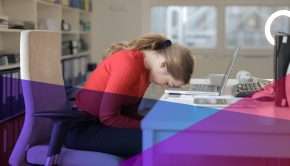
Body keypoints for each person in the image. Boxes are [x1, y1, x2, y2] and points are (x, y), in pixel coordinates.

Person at [64, 33, 194, 158]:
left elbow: (128, 114)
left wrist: (155, 123)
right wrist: (149, 125)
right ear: (163, 66)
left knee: (163, 137)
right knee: (157, 142)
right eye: (168, 83)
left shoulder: (145, 71)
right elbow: (108, 117)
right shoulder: (129, 64)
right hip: (83, 129)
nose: (164, 86)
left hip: (100, 125)